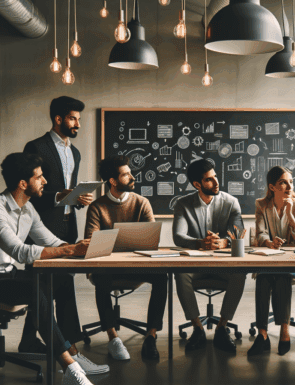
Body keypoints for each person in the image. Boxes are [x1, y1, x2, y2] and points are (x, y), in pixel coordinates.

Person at [0, 153, 109, 385]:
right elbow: (20, 252)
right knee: (34, 287)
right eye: (39, 177)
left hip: (6, 276)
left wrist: (83, 246)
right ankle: (70, 368)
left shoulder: (28, 209)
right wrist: (71, 249)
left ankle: (70, 352)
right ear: (22, 183)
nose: (45, 182)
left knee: (59, 278)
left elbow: (51, 241)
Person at [20, 96, 93, 353]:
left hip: (66, 225)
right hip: (41, 224)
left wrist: (77, 199)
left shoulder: (74, 152)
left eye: (79, 120)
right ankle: (67, 343)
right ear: (58, 119)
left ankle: (35, 340)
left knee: (58, 284)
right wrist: (59, 196)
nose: (78, 125)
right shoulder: (36, 147)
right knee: (44, 287)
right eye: (73, 119)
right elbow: (28, 191)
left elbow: (66, 193)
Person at [84, 155, 166, 361]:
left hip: (137, 265)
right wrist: (129, 238)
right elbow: (91, 243)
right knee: (100, 278)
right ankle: (113, 338)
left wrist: (112, 240)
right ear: (113, 181)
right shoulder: (97, 207)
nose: (132, 177)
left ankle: (151, 336)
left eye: (130, 173)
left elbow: (150, 240)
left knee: (162, 276)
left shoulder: (142, 203)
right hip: (107, 267)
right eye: (126, 174)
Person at [172, 159, 247, 354]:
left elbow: (238, 231)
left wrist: (223, 242)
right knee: (180, 273)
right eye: (209, 180)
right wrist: (200, 243)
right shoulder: (183, 204)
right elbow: (178, 236)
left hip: (223, 265)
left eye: (215, 177)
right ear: (197, 184)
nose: (216, 183)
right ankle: (197, 328)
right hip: (196, 265)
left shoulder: (231, 202)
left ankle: (223, 326)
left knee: (240, 272)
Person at [248, 166, 295, 356]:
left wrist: (291, 217)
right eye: (283, 182)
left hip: (290, 262)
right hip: (269, 259)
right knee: (264, 277)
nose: (289, 186)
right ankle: (263, 335)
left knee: (282, 274)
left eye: (290, 181)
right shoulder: (262, 205)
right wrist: (269, 241)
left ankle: (285, 330)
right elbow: (260, 233)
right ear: (272, 187)